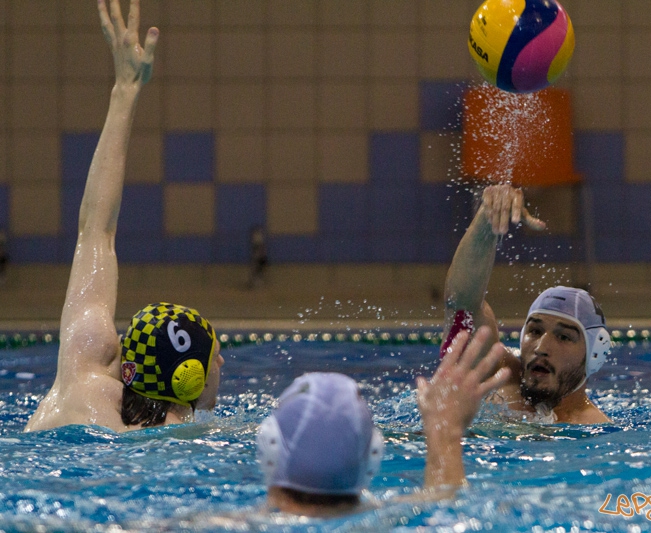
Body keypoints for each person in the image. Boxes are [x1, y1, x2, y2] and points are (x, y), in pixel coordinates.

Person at [25, 0, 224, 433]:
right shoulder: (189, 439)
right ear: (189, 378)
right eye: (213, 357)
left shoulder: (80, 379)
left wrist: (126, 89)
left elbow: (96, 230)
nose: (221, 362)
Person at [255, 327, 510, 517]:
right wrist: (445, 431)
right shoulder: (395, 519)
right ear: (373, 455)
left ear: (269, 448)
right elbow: (447, 504)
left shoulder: (225, 526)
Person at [442, 184, 611, 424]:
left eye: (563, 337)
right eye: (535, 330)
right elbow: (461, 303)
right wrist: (486, 221)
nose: (542, 346)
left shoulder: (595, 431)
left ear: (594, 354)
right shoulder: (499, 374)